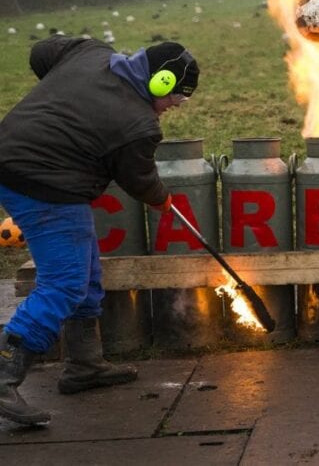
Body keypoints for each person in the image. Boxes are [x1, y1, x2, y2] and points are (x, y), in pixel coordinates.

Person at [0, 37, 200, 426]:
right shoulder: (138, 125)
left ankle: (84, 365)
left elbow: (41, 52)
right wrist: (162, 201)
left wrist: (64, 98)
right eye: (175, 97)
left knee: (86, 270)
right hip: (44, 182)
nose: (175, 106)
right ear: (158, 82)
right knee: (65, 283)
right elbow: (140, 181)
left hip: (18, 158)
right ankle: (5, 371)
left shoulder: (90, 51)